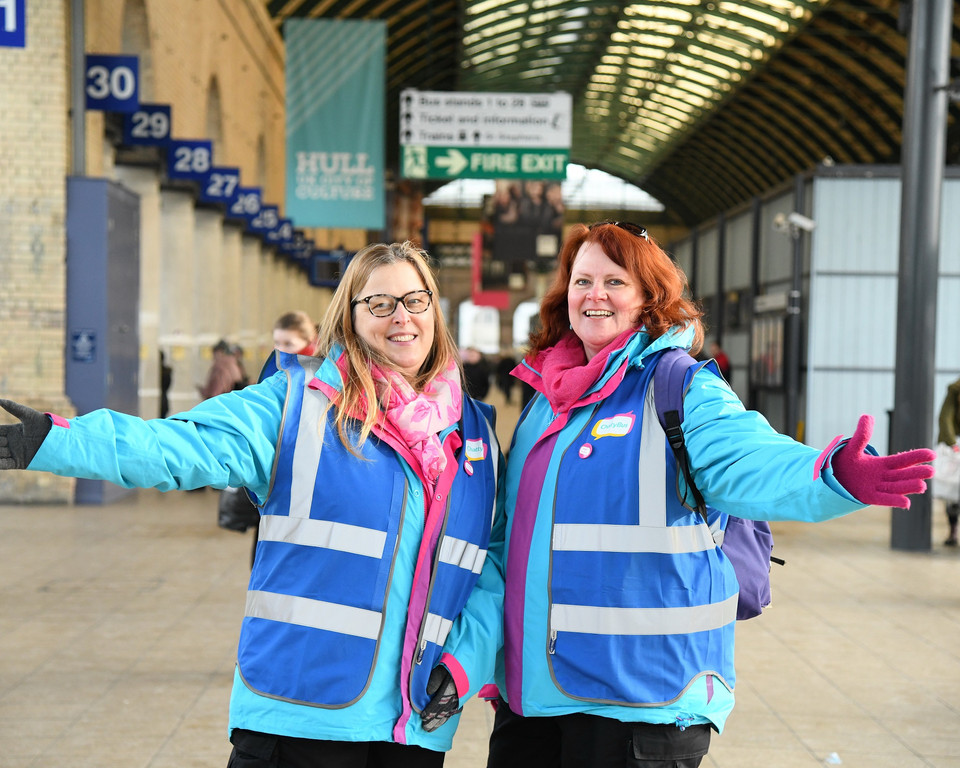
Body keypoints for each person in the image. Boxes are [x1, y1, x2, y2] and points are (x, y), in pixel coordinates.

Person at [0, 241, 506, 767]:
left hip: (411, 732)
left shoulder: (475, 438)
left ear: (434, 310)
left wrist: (465, 661)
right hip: (298, 720)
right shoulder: (293, 404)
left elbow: (491, 564)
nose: (401, 317)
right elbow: (179, 446)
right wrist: (58, 442)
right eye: (379, 304)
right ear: (349, 318)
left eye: (415, 300)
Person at [485, 221, 934, 768]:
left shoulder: (678, 387)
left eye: (614, 281)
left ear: (649, 297)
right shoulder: (544, 399)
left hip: (643, 700)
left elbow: (746, 457)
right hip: (534, 698)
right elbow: (510, 536)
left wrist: (829, 472)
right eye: (582, 281)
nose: (594, 295)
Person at [936, 377, 960, 545]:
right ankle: (953, 531)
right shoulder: (955, 390)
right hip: (955, 446)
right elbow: (945, 418)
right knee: (952, 492)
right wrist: (952, 443)